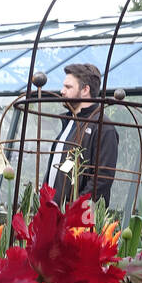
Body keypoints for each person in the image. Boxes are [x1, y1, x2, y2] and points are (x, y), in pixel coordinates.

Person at [42, 63, 118, 207]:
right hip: (54, 211)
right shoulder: (70, 121)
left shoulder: (103, 127)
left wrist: (75, 208)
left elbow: (102, 179)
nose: (62, 91)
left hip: (78, 217)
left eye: (68, 87)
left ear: (85, 90)